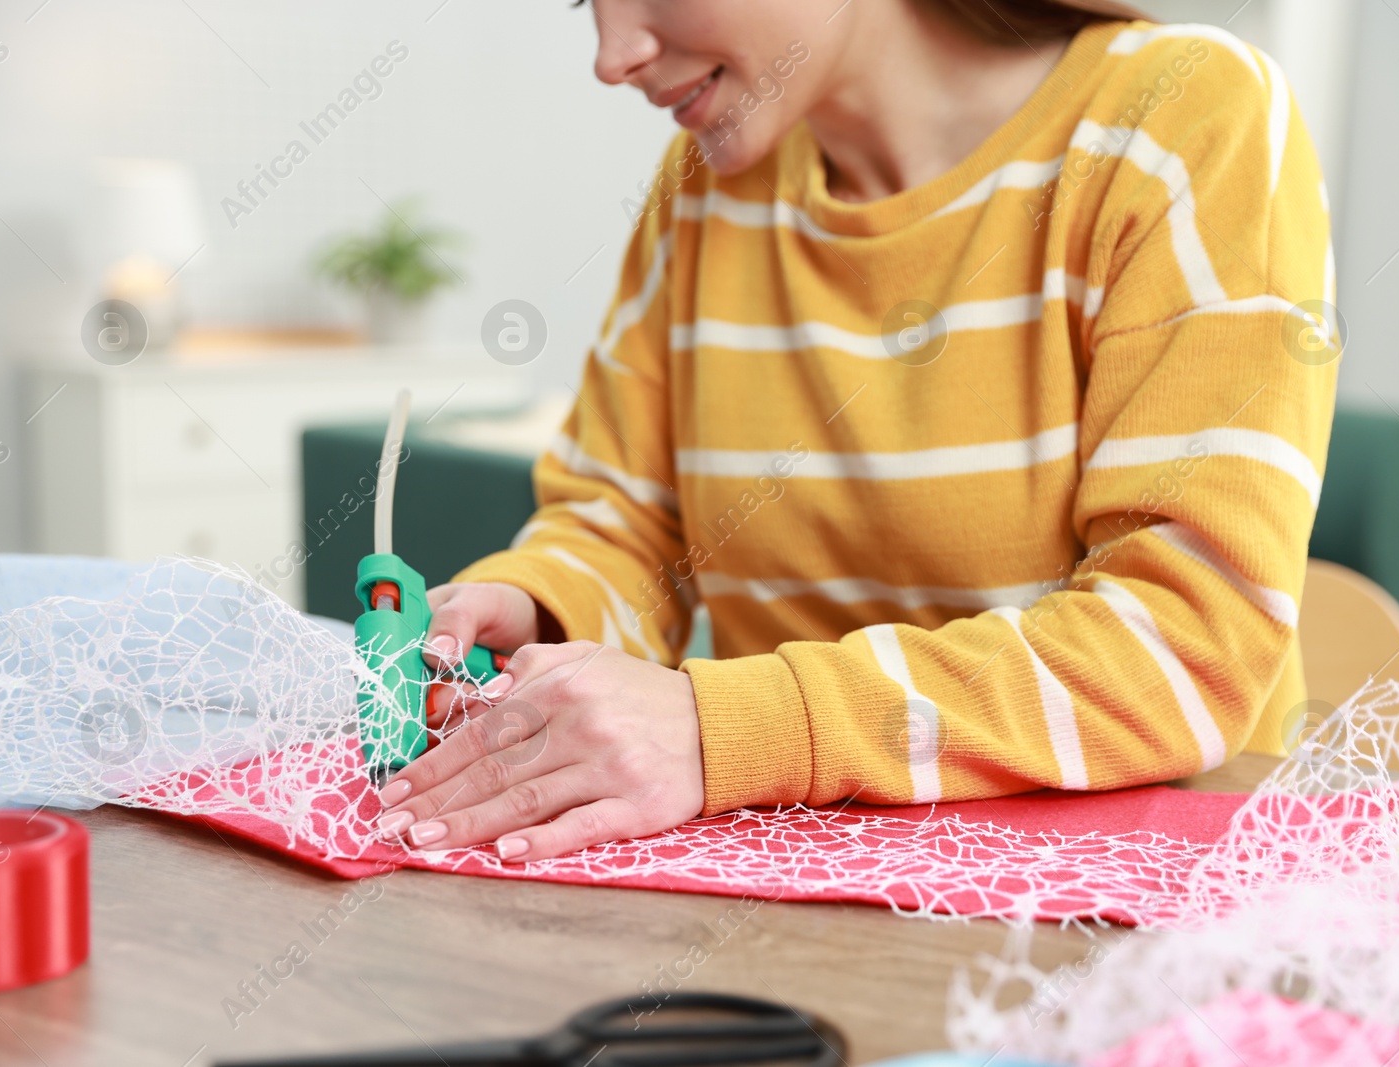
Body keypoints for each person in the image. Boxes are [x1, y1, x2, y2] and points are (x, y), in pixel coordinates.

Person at [373, 0, 1338, 863]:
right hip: (796, 892)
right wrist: (540, 606)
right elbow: (626, 522)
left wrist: (725, 730)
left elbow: (1185, 648)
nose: (613, 52)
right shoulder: (706, 190)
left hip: (1135, 907)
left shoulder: (1189, 118)